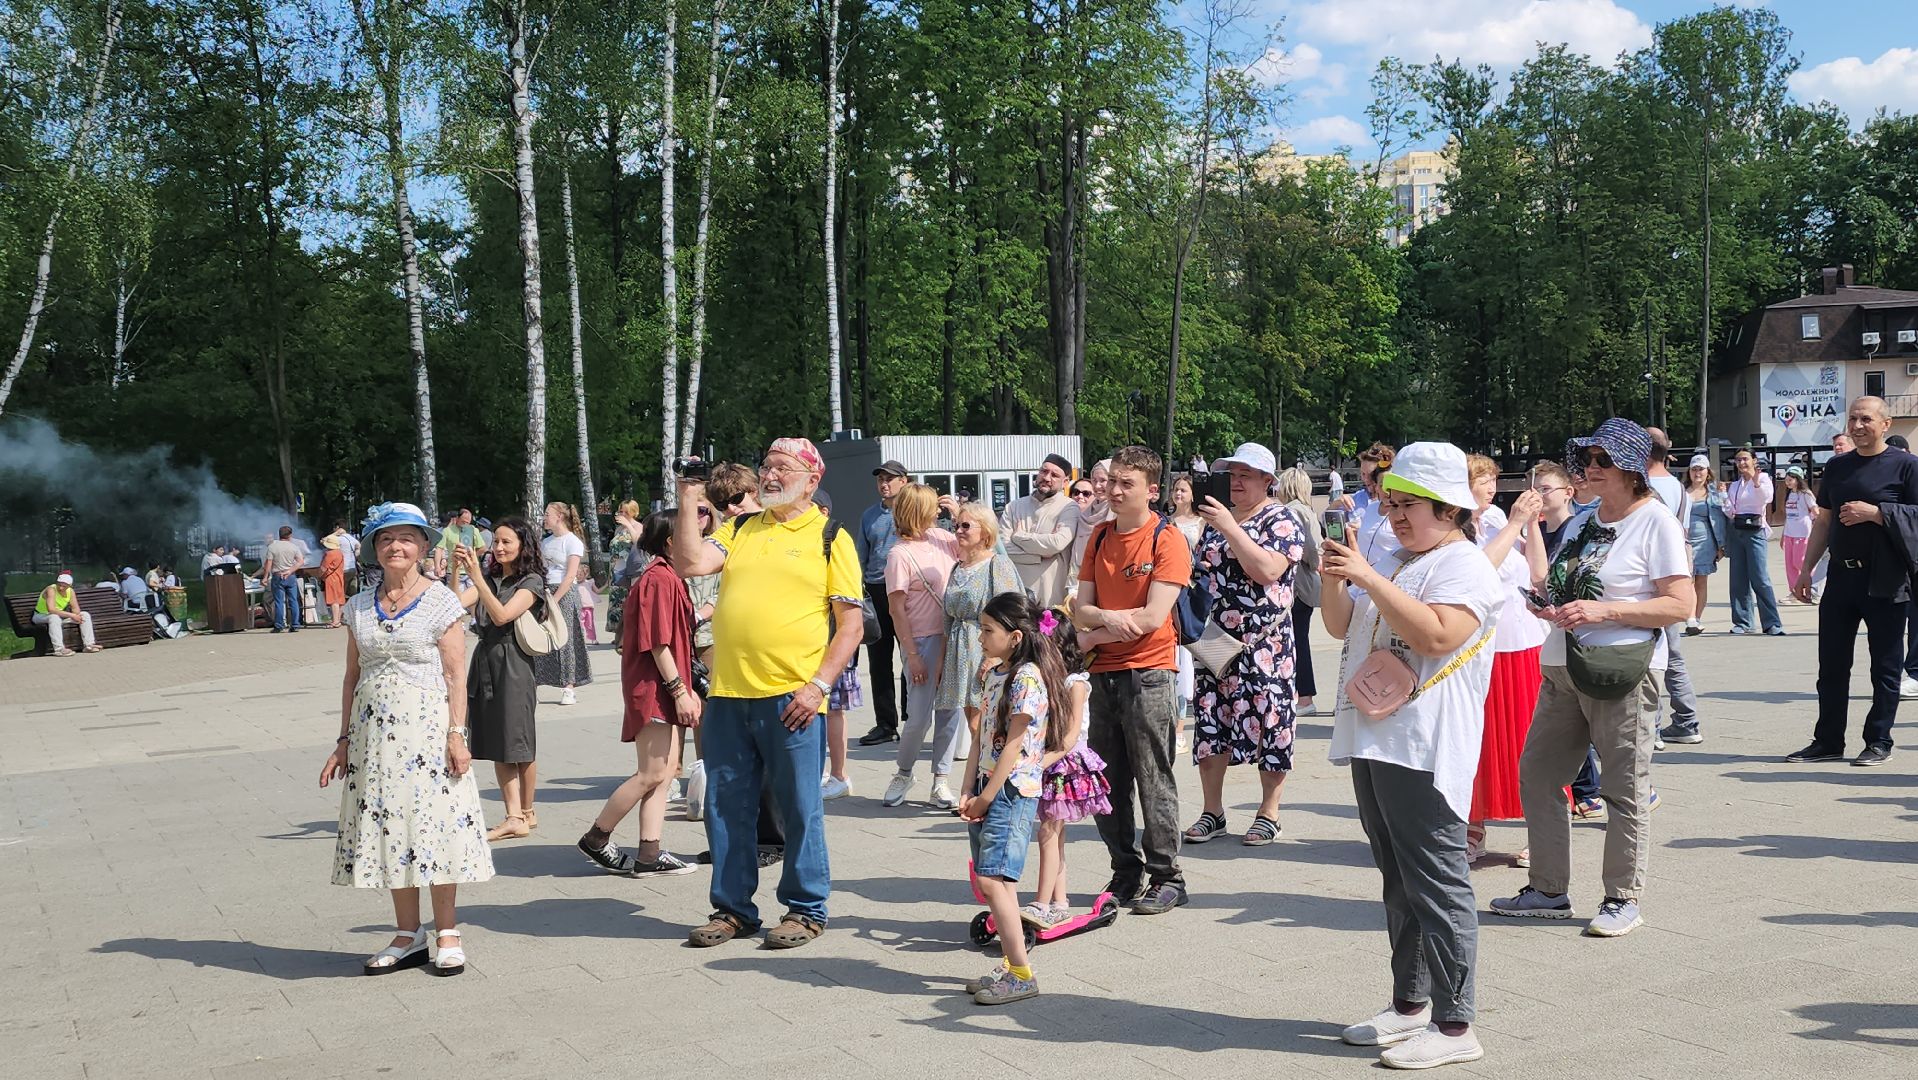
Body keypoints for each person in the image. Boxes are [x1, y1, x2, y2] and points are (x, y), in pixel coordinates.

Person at [1321, 441, 1499, 1070]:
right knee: (1398, 878)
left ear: (1449, 509)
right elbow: (1340, 627)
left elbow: (1437, 633)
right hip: (1378, 735)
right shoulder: (1397, 559)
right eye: (1390, 502)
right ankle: (1411, 1005)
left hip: (1425, 744)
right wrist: (1335, 574)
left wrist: (1367, 575)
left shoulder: (1466, 566)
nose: (1394, 515)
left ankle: (1456, 1027)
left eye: (1408, 505)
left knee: (1438, 881)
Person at [1493, 418, 1692, 938]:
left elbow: (1680, 604)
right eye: (1586, 460)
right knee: (1537, 773)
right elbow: (1555, 583)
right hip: (1563, 667)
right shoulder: (1584, 520)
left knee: (1622, 787)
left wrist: (1603, 612)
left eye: (1601, 461)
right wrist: (1547, 606)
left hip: (1621, 671)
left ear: (1630, 469)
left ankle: (1622, 897)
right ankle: (1548, 889)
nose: (1589, 469)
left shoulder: (1656, 523)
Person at [672, 437, 862, 950]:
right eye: (767, 466)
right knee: (725, 805)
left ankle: (805, 908)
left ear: (812, 479)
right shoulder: (738, 528)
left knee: (799, 806)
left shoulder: (830, 535)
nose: (770, 475)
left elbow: (850, 627)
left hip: (792, 698)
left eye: (782, 468)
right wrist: (689, 495)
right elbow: (689, 562)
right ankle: (733, 910)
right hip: (730, 694)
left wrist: (818, 686)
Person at [320, 502, 492, 976]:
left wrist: (458, 735)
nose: (395, 546)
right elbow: (351, 677)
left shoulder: (441, 601)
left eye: (406, 538)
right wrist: (342, 740)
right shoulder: (357, 605)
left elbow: (457, 677)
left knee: (433, 826)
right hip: (375, 735)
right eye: (385, 539)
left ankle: (448, 931)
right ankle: (408, 932)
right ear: (375, 548)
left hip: (430, 732)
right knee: (392, 826)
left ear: (422, 547)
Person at [1071, 445, 1192, 915]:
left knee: (1153, 776)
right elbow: (1079, 609)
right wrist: (1108, 619)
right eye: (1112, 481)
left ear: (1152, 490)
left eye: (1127, 484)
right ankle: (1125, 868)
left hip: (1150, 673)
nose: (1115, 491)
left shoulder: (1167, 538)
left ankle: (1167, 875)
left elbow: (1153, 617)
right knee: (1108, 780)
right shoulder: (1099, 536)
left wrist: (1095, 625)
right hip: (1103, 672)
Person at [1181, 443, 1303, 849]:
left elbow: (1267, 570)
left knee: (1272, 724)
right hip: (1216, 641)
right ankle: (1212, 811)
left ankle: (1269, 811)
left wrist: (1231, 528)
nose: (1235, 482)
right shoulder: (1216, 521)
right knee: (1211, 722)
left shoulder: (1281, 520)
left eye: (1245, 475)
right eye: (1231, 474)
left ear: (1268, 481)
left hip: (1265, 643)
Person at [1789, 396, 1918, 767]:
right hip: (1842, 578)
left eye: (1866, 419)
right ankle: (1827, 740)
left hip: (1886, 580)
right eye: (1853, 418)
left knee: (1885, 667)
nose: (1858, 425)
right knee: (1831, 665)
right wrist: (1806, 570)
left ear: (1885, 424)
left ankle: (1879, 739)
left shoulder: (1906, 467)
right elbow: (1824, 522)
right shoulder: (1837, 467)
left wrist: (1879, 513)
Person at [958, 592, 1066, 1006]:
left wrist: (985, 796)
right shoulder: (994, 674)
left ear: (1016, 636)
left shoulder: (1027, 678)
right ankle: (1011, 962)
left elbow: (1014, 747)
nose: (981, 637)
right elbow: (981, 738)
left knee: (994, 879)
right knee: (992, 881)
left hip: (1010, 790)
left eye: (988, 630)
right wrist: (968, 788)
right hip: (988, 785)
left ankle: (1021, 974)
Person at [579, 510, 701, 876]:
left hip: (660, 685)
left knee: (662, 775)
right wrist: (680, 690)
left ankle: (650, 854)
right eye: (689, 533)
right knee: (650, 773)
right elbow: (658, 643)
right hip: (655, 687)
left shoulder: (665, 576)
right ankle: (597, 837)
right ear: (669, 541)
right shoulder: (659, 578)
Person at [1464, 455, 1547, 866]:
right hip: (1481, 646)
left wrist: (1530, 524)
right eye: (1482, 479)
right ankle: (1472, 825)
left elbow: (1537, 573)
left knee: (1530, 739)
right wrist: (1516, 522)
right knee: (1480, 741)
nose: (1491, 486)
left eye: (1494, 478)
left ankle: (1541, 829)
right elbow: (1478, 571)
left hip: (1524, 640)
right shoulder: (1456, 527)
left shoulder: (1498, 517)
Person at [454, 517, 545, 842]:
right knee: (497, 740)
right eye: (496, 542)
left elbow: (503, 615)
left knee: (518, 741)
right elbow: (452, 605)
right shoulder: (489, 578)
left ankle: (519, 814)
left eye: (506, 541)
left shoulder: (531, 582)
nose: (499, 547)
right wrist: (458, 571)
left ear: (523, 545)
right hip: (486, 661)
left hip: (514, 664)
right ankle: (520, 814)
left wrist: (478, 578)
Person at [879, 483, 964, 809]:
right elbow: (896, 609)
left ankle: (941, 780)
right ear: (917, 511)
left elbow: (980, 548)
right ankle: (903, 772)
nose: (937, 510)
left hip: (952, 636)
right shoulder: (899, 554)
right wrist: (911, 654)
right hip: (923, 641)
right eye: (932, 505)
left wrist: (959, 517)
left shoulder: (943, 539)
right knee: (918, 717)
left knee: (950, 712)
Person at [1025, 608, 1107, 928]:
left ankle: (1041, 904)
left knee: (1048, 832)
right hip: (1047, 761)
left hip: (1066, 766)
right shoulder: (1045, 681)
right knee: (1054, 835)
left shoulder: (1076, 683)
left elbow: (1071, 738)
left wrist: (1038, 763)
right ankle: (1059, 902)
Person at [935, 501, 1019, 788]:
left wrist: (996, 657)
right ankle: (982, 781)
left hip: (985, 649)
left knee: (985, 723)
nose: (958, 530)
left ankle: (994, 782)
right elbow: (947, 619)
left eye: (966, 525)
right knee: (974, 723)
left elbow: (1012, 611)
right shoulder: (958, 567)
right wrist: (942, 659)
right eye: (956, 525)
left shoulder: (997, 563)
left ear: (986, 532)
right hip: (960, 650)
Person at [856, 461, 909, 745]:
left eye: (890, 479)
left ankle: (912, 718)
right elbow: (861, 556)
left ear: (904, 481)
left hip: (906, 589)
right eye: (880, 480)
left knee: (910, 656)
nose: (884, 484)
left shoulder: (912, 511)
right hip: (877, 590)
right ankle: (885, 724)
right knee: (878, 659)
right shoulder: (869, 516)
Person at [999, 453, 1081, 609]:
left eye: (1054, 475)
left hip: (1051, 600)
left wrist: (1018, 537)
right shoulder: (1014, 507)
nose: (1047, 477)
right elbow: (1003, 549)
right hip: (1016, 596)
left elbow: (1056, 544)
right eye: (1044, 471)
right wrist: (1040, 555)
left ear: (1065, 482)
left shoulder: (1069, 507)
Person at [534, 501, 593, 706]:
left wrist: (554, 600)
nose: (544, 518)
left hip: (564, 593)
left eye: (547, 514)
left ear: (559, 516)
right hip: (546, 589)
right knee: (541, 636)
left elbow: (570, 576)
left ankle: (569, 686)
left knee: (566, 637)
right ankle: (537, 682)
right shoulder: (546, 541)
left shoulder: (572, 541)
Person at [1276, 467, 1324, 714]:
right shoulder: (1307, 511)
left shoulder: (1292, 512)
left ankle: (1304, 696)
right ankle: (1303, 695)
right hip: (1306, 586)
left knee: (1296, 641)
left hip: (1298, 587)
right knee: (1298, 639)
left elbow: (1308, 550)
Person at [1723, 448, 1784, 636]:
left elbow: (1766, 499)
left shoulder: (1763, 479)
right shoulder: (1735, 485)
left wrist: (1756, 481)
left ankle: (1772, 622)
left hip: (1755, 530)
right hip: (1738, 530)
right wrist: (1724, 498)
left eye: (1745, 459)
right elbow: (1729, 509)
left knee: (1760, 577)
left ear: (1754, 460)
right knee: (1738, 578)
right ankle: (1743, 621)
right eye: (1738, 460)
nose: (1742, 463)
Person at [1681, 456, 1728, 635]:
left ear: (1707, 471)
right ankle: (1690, 616)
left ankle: (1695, 618)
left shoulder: (1713, 492)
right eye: (1694, 469)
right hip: (1684, 541)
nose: (1697, 473)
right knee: (1687, 580)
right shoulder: (1682, 491)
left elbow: (1721, 519)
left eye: (1701, 469)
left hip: (1706, 541)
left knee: (1700, 581)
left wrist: (1721, 545)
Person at [34, 572, 101, 655]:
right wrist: (71, 615)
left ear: (69, 586)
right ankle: (59, 649)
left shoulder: (70, 592)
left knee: (84, 615)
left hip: (59, 617)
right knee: (54, 617)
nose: (61, 588)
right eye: (59, 585)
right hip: (41, 616)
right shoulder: (51, 589)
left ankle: (89, 645)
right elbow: (51, 609)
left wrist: (76, 615)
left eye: (64, 586)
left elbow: (75, 609)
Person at [1068, 458, 1113, 583]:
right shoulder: (1084, 514)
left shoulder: (1117, 512)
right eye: (1094, 480)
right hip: (1080, 578)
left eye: (1103, 480)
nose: (1097, 486)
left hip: (1106, 578)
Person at [607, 500, 644, 642]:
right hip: (616, 569)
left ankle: (628, 635)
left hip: (629, 570)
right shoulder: (618, 529)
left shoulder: (638, 526)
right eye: (620, 511)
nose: (621, 514)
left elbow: (638, 543)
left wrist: (629, 525)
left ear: (633, 513)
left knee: (628, 602)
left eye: (625, 512)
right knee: (616, 602)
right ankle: (619, 633)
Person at [1782, 467, 1818, 598]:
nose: (1788, 482)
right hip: (1789, 533)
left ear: (1798, 479)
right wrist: (1782, 536)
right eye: (1786, 480)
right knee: (1790, 564)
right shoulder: (1789, 494)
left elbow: (1816, 511)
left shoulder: (1806, 494)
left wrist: (1817, 527)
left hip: (1802, 533)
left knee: (1799, 561)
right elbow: (1788, 516)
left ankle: (1812, 584)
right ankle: (1795, 591)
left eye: (1791, 479)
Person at [263, 527, 306, 632]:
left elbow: (268, 564)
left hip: (277, 576)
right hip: (290, 576)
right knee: (293, 601)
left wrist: (265, 577)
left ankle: (279, 625)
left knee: (279, 601)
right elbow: (300, 561)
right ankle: (295, 624)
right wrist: (290, 571)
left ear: (279, 535)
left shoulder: (272, 547)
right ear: (290, 535)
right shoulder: (294, 547)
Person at [319, 529, 348, 628]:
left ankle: (335, 621)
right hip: (339, 576)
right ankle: (338, 620)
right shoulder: (339, 552)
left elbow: (324, 568)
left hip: (331, 578)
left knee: (333, 601)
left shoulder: (329, 554)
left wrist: (320, 576)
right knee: (340, 600)